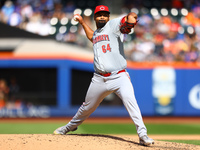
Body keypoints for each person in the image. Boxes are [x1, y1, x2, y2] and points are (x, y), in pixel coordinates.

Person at [53, 5, 154, 146]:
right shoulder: (97, 34)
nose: (102, 17)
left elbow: (127, 19)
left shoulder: (113, 25)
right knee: (87, 107)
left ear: (108, 17)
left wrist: (131, 17)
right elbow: (92, 36)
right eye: (99, 15)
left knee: (131, 103)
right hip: (99, 79)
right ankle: (69, 127)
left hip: (119, 77)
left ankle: (143, 134)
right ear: (95, 17)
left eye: (105, 15)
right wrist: (82, 23)